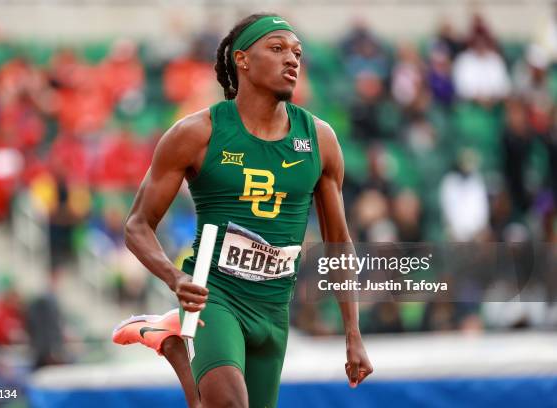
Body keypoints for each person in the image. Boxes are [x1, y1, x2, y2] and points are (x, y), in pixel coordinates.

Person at [113, 13, 373, 408]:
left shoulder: (320, 139)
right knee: (231, 404)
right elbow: (136, 226)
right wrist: (174, 277)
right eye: (277, 48)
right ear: (242, 59)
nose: (292, 59)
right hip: (215, 295)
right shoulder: (196, 134)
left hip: (273, 308)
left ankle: (173, 346)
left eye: (298, 53)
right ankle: (181, 337)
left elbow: (339, 241)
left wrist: (353, 333)